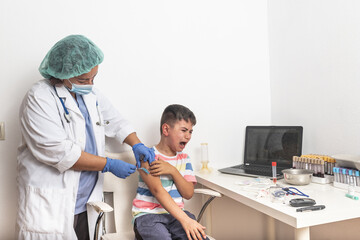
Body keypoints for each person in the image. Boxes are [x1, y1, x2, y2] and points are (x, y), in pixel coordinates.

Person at [15, 35, 155, 240]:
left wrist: (137, 143)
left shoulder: (91, 94)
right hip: (51, 199)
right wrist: (108, 164)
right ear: (63, 73)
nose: (89, 84)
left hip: (86, 199)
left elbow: (116, 122)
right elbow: (59, 152)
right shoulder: (39, 97)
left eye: (93, 78)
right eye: (83, 80)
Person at [132, 104, 209, 240]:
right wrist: (185, 220)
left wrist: (172, 171)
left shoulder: (184, 159)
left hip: (177, 216)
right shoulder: (147, 156)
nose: (188, 136)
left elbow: (188, 193)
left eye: (190, 131)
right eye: (184, 130)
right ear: (166, 129)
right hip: (148, 216)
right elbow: (157, 190)